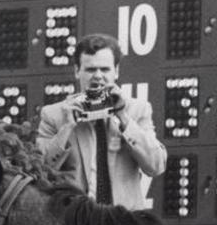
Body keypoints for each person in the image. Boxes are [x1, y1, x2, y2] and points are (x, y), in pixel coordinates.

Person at [36, 33, 166, 210]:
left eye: (105, 70)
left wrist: (124, 119)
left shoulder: (137, 110)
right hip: (75, 224)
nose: (98, 76)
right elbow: (40, 172)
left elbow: (156, 166)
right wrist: (66, 128)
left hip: (122, 223)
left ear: (116, 71)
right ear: (77, 71)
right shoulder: (54, 115)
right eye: (90, 70)